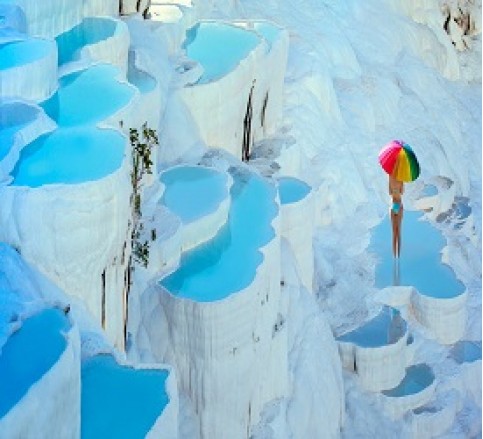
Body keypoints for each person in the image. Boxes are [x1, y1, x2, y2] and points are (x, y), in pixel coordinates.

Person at [389, 174, 404, 258]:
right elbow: (402, 192)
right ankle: (397, 254)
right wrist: (398, 189)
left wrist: (393, 190)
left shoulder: (390, 177)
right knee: (398, 232)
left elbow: (389, 192)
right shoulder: (400, 179)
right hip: (399, 205)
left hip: (394, 206)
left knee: (394, 233)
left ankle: (395, 255)